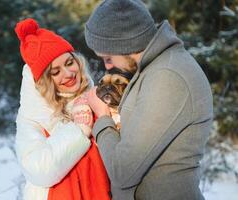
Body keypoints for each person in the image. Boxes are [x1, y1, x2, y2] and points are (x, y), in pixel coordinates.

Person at [84, 1, 213, 200]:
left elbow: (123, 171)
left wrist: (102, 116)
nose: (107, 66)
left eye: (108, 57)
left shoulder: (167, 75)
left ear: (125, 44)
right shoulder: (154, 69)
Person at [14, 18, 110, 200]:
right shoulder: (32, 118)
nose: (68, 74)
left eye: (69, 63)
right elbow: (40, 171)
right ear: (44, 81)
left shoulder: (96, 99)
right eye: (55, 72)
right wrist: (80, 130)